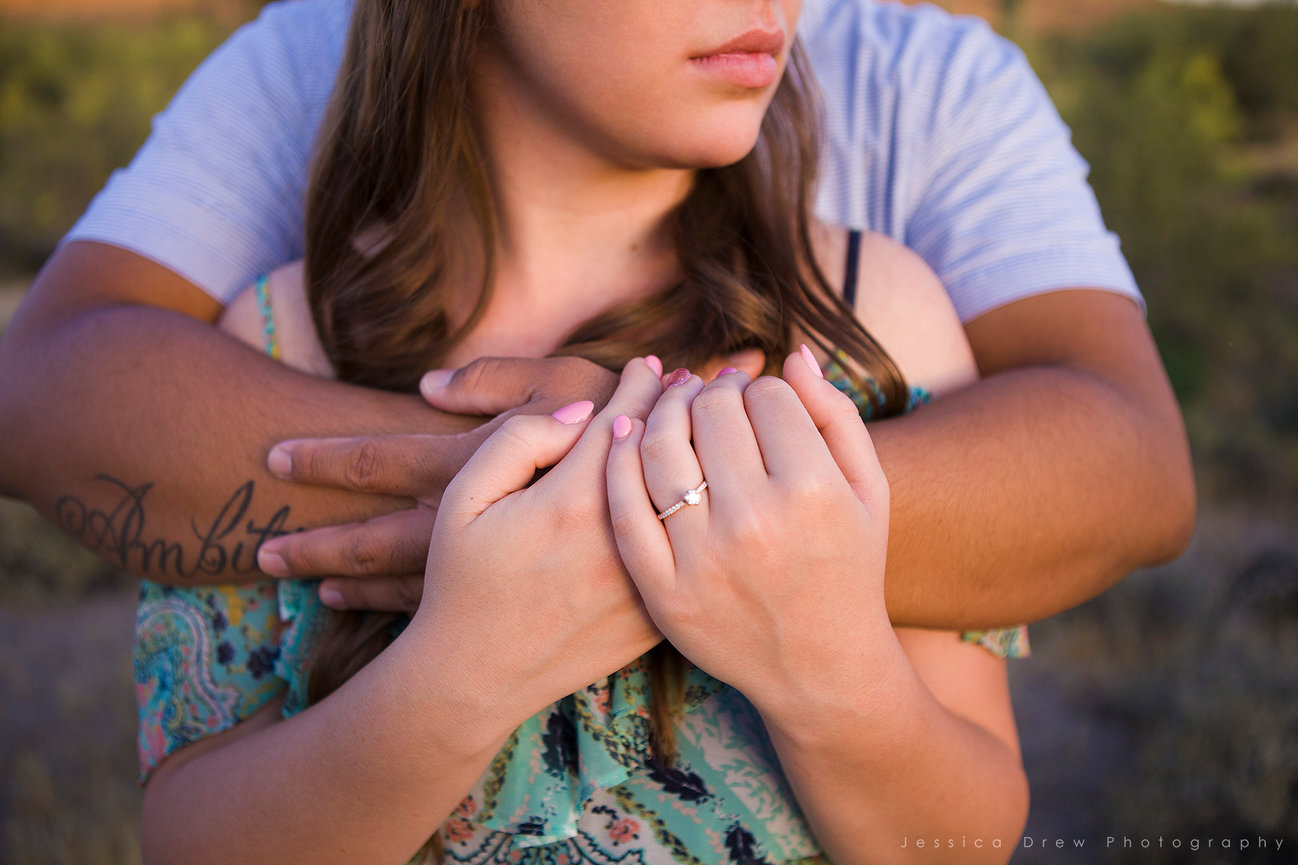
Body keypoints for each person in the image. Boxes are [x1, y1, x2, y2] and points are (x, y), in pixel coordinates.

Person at [134, 1, 1027, 859]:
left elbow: (972, 840)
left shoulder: (872, 323)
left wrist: (829, 667)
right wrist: (463, 670)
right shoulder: (276, 345)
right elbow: (190, 840)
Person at [0, 0, 1193, 626]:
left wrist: (624, 493)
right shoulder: (307, 57)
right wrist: (509, 485)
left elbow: (1129, 466)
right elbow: (46, 388)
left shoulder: (933, 82)